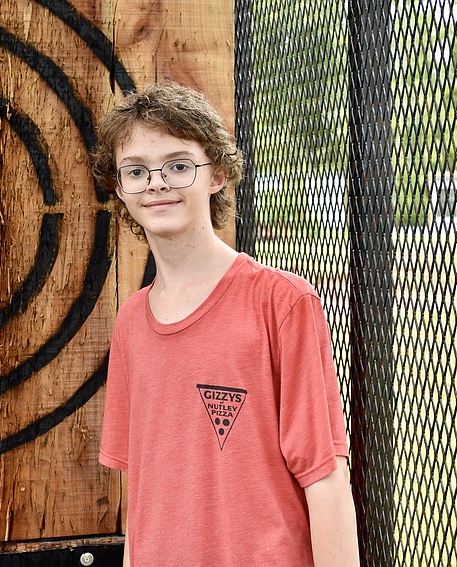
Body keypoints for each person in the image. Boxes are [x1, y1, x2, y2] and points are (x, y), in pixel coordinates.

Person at [91, 82, 359, 566]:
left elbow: (325, 476)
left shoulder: (282, 303)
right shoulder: (131, 321)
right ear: (119, 188)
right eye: (136, 171)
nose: (157, 183)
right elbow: (141, 489)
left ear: (217, 173)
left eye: (177, 165)